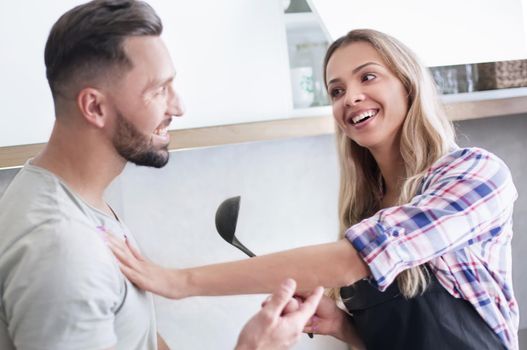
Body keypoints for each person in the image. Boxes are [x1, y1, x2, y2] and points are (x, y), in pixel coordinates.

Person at [109, 28, 519, 350]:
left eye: (368, 77)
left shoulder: (475, 174)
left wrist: (180, 282)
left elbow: (355, 259)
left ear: (408, 85)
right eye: (337, 90)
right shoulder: (365, 209)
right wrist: (343, 327)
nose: (350, 97)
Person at [0, 1, 321, 349]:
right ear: (94, 107)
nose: (178, 107)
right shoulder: (62, 250)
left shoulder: (73, 199)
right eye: (158, 90)